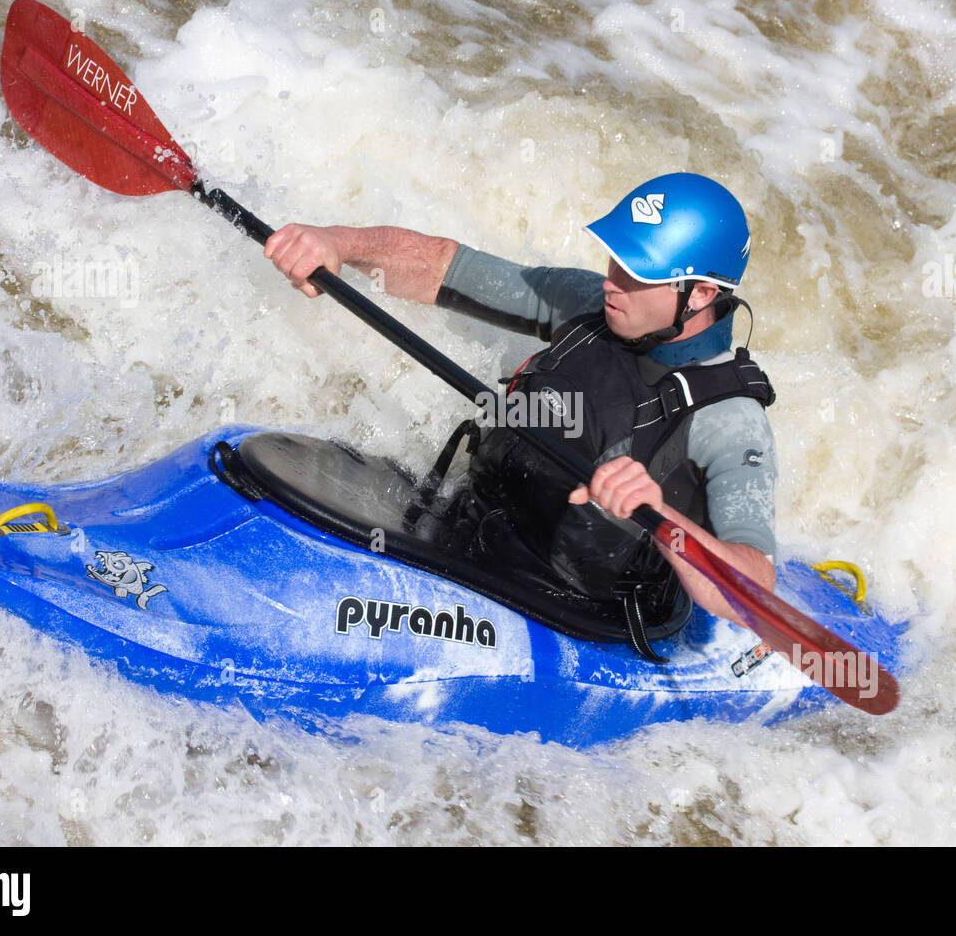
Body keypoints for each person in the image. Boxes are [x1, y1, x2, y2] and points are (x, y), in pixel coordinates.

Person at [263, 173, 777, 658]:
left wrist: (662, 515)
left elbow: (754, 589)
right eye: (615, 261)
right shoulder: (587, 307)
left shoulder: (729, 418)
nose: (611, 283)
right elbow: (444, 267)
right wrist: (337, 244)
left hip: (567, 609)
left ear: (702, 294)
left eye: (638, 273)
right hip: (464, 531)